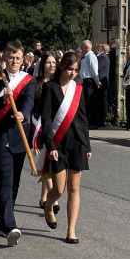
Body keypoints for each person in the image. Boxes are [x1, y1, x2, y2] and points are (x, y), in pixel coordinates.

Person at [0, 40, 36, 246]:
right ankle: (11, 225)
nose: (14, 61)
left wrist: (24, 114)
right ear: (4, 58)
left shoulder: (28, 80)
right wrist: (2, 100)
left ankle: (3, 221)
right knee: (4, 181)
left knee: (14, 184)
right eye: (11, 57)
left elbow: (29, 100)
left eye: (18, 58)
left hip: (19, 137)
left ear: (23, 60)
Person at [40, 52, 92, 244]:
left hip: (77, 142)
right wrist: (50, 144)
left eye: (76, 70)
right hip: (58, 144)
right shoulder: (49, 87)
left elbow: (83, 119)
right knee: (60, 189)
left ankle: (71, 230)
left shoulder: (78, 89)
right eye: (70, 69)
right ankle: (49, 205)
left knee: (74, 188)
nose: (73, 73)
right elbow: (46, 119)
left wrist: (87, 144)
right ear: (62, 67)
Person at [31, 51, 59, 215]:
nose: (51, 66)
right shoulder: (37, 83)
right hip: (40, 127)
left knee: (49, 162)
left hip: (55, 127)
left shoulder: (59, 83)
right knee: (45, 162)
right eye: (48, 63)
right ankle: (52, 199)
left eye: (54, 63)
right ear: (43, 66)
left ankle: (43, 198)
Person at [78, 40, 101, 126]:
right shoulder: (86, 56)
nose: (81, 49)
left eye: (82, 47)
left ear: (86, 48)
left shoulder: (90, 56)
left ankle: (93, 122)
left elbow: (94, 70)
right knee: (87, 101)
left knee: (91, 101)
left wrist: (97, 81)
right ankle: (89, 120)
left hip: (90, 80)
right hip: (86, 80)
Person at [94, 43, 110, 128]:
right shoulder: (102, 57)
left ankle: (101, 120)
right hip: (101, 82)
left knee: (101, 102)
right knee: (100, 102)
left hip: (101, 82)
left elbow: (98, 69)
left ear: (99, 50)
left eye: (95, 50)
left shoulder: (102, 57)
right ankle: (100, 119)